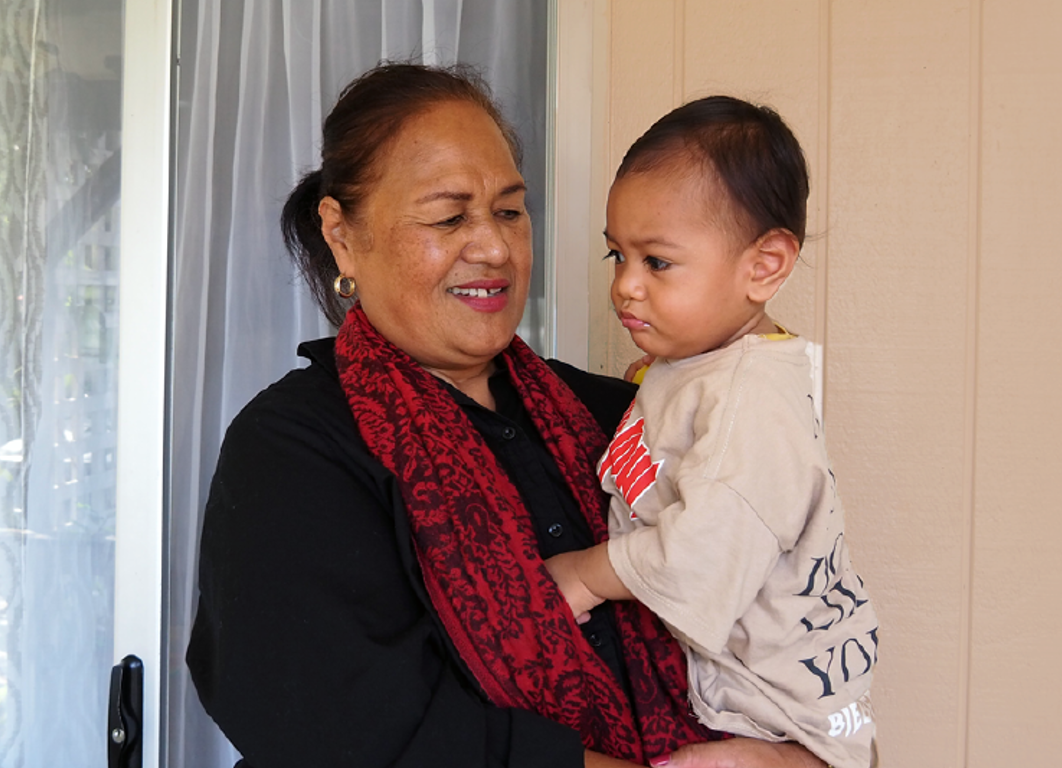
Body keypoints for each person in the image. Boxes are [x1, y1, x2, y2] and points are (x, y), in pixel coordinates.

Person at [187, 63, 829, 768]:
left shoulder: (627, 414)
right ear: (342, 235)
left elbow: (800, 609)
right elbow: (342, 729)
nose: (494, 247)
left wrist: (803, 755)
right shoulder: (293, 450)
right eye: (449, 216)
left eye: (509, 211)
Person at [544, 97, 879, 768]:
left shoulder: (748, 400)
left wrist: (584, 575)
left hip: (780, 704)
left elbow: (702, 553)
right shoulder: (698, 366)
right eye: (618, 255)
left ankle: (781, 761)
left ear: (764, 266)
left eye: (657, 263)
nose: (624, 288)